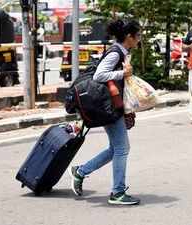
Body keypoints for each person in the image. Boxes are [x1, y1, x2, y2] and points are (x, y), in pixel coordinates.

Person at [69, 20, 141, 205]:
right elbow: (99, 75)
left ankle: (81, 171)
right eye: (137, 35)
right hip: (107, 106)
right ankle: (117, 192)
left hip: (112, 105)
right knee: (122, 149)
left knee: (115, 149)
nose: (139, 39)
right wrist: (122, 74)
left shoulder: (122, 52)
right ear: (128, 37)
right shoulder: (116, 53)